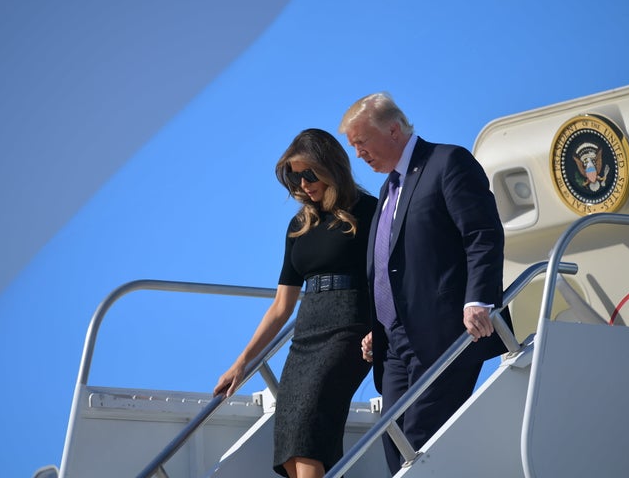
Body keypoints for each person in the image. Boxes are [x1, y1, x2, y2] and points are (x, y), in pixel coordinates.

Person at [338, 92, 510, 474]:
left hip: (445, 332)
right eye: (353, 146)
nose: (359, 154)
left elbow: (482, 234)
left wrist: (478, 299)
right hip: (395, 345)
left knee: (420, 440)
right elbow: (395, 265)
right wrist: (377, 324)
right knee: (394, 441)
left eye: (362, 142)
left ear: (393, 130)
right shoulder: (388, 190)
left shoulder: (447, 162)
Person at [213, 128, 378, 478]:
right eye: (294, 176)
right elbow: (280, 307)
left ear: (331, 167)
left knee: (306, 437)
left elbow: (388, 280)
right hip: (306, 335)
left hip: (349, 327)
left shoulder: (369, 211)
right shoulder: (298, 226)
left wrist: (380, 329)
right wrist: (242, 363)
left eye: (309, 173)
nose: (302, 184)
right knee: (291, 448)